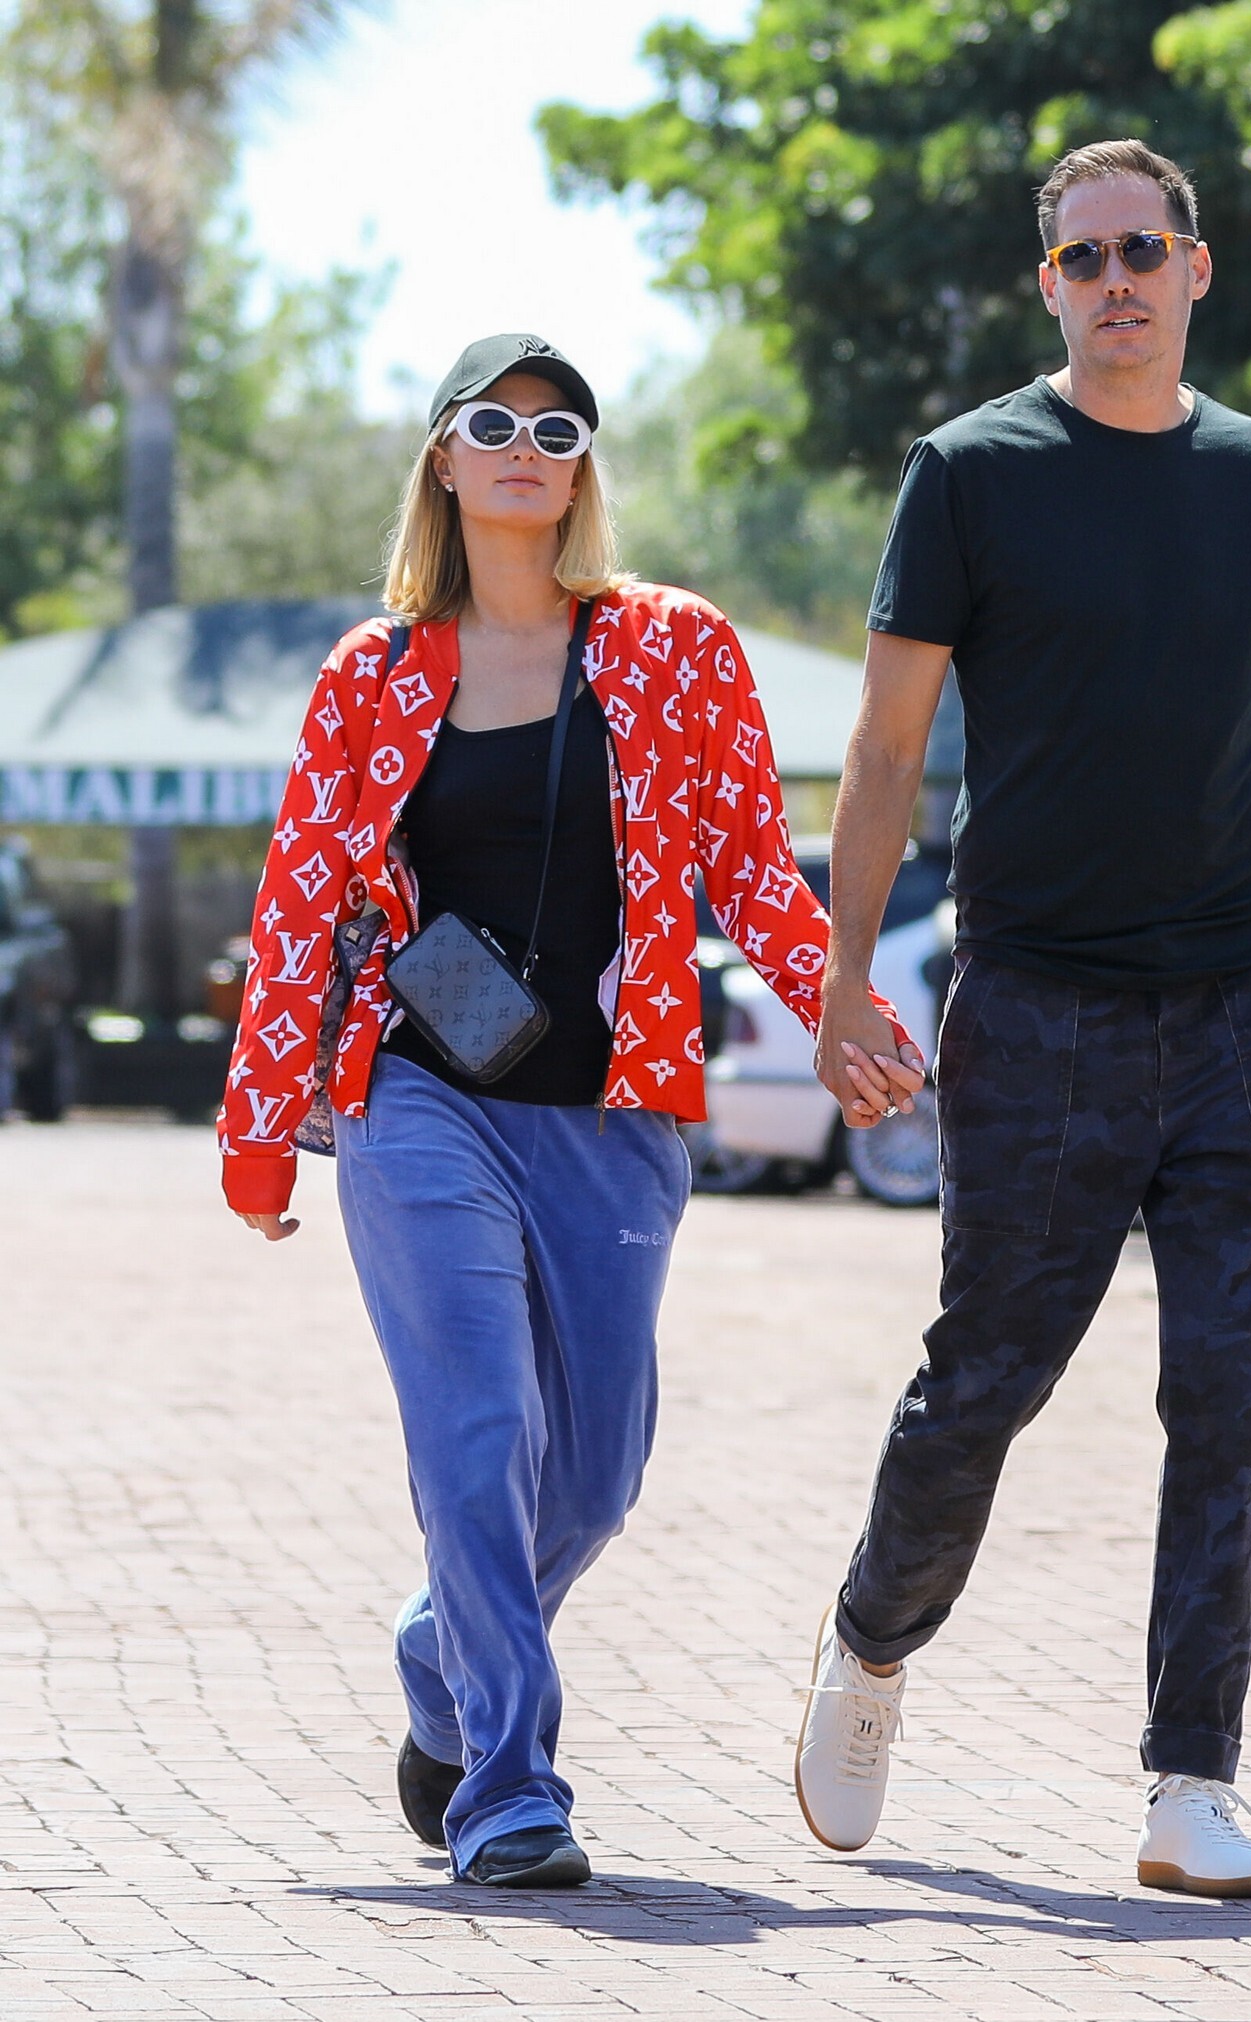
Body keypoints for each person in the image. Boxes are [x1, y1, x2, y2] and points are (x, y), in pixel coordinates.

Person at [219, 332, 917, 1888]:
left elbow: (750, 861)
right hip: (416, 1091)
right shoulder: (372, 672)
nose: (525, 450)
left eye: (557, 430)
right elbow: (301, 900)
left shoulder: (675, 647)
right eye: (493, 424)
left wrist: (839, 1000)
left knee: (595, 1470)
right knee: (480, 1430)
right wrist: (261, 1129)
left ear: (584, 466)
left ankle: (445, 1650)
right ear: (442, 458)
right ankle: (508, 1785)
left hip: (613, 1110)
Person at [795, 140, 1251, 1898]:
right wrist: (842, 972)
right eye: (1084, 258)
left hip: (1244, 1005)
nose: (1115, 280)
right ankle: (872, 1639)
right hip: (1040, 1003)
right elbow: (887, 748)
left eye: (1143, 250)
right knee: (988, 1374)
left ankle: (1190, 1780)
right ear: (1048, 283)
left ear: (1196, 269)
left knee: (1230, 1396)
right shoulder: (969, 472)